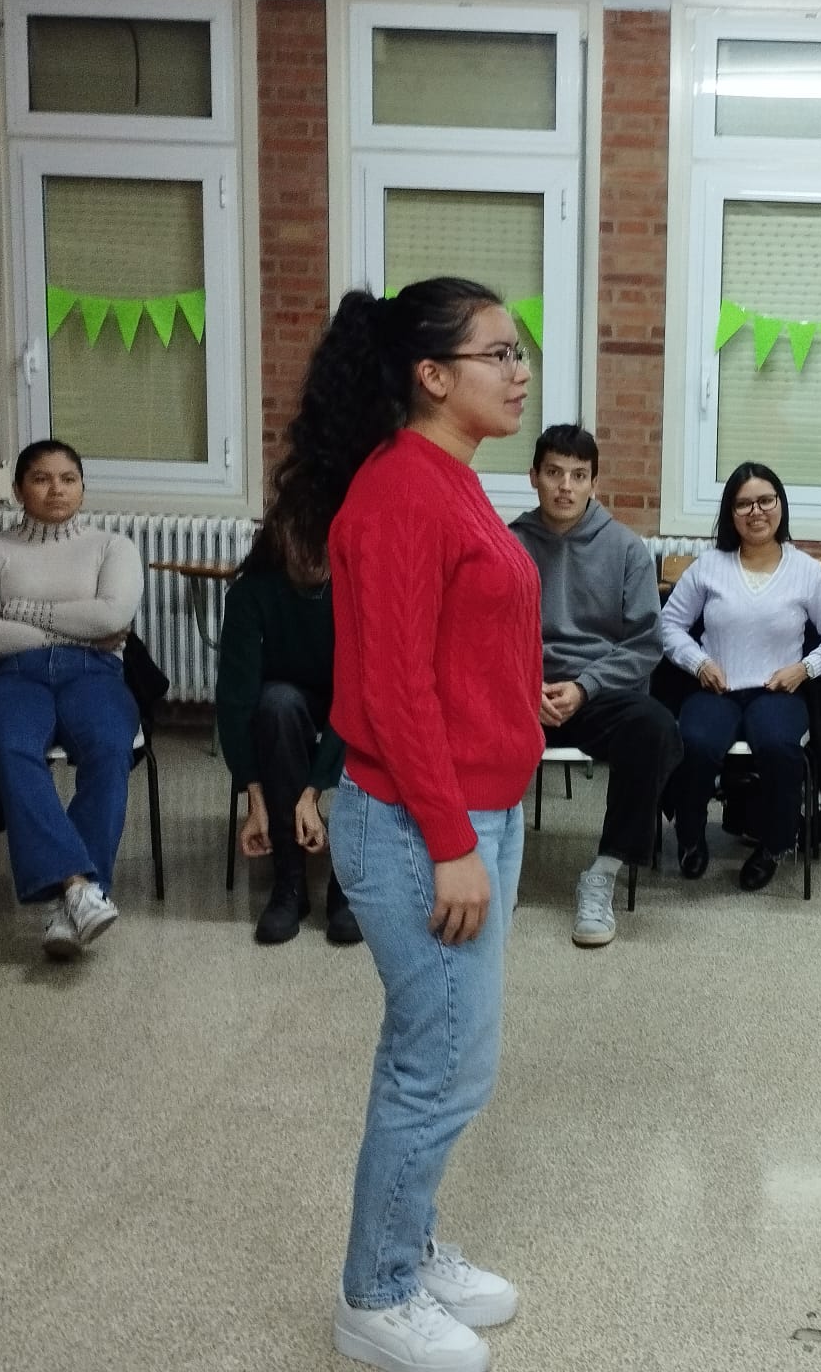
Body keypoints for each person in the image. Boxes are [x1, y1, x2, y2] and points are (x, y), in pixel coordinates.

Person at [306, 280, 543, 1372]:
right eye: (497, 353)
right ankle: (377, 1294)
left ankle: (409, 1241)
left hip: (470, 810)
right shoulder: (403, 490)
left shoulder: (449, 482)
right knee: (440, 1065)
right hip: (420, 825)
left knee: (442, 1056)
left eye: (520, 352)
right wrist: (453, 841)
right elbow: (395, 692)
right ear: (430, 375)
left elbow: (447, 654)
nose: (519, 370)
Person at [0, 439, 144, 961]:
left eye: (67, 478)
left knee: (109, 748)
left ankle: (67, 906)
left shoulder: (114, 547)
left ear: (82, 486)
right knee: (13, 749)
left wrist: (20, 609)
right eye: (40, 478)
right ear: (17, 490)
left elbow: (112, 619)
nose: (55, 489)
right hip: (9, 676)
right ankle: (80, 888)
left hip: (95, 674)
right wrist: (74, 628)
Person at [511, 423, 682, 948]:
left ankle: (602, 874)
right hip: (521, 692)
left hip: (595, 693)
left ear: (593, 484)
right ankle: (488, 864)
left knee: (653, 727)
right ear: (534, 477)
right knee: (453, 716)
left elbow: (644, 644)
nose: (565, 485)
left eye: (578, 475)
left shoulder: (627, 550)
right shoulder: (507, 544)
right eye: (555, 473)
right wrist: (525, 687)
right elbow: (481, 634)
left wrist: (583, 687)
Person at [659, 463, 821, 893]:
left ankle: (774, 844)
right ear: (730, 513)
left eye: (766, 500)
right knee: (694, 744)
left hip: (777, 690)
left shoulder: (808, 570)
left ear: (780, 506)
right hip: (717, 687)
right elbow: (668, 626)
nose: (756, 511)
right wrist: (697, 662)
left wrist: (805, 668)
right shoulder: (708, 567)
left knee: (778, 747)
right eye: (744, 503)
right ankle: (690, 837)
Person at [216, 498, 357, 948]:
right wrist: (253, 795)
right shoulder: (250, 594)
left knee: (385, 721)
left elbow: (355, 697)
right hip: (283, 710)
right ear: (280, 539)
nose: (316, 552)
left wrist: (312, 792)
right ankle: (289, 884)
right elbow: (235, 700)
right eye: (303, 538)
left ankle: (347, 884)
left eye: (327, 539)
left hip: (349, 708)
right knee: (274, 704)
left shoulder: (358, 592)